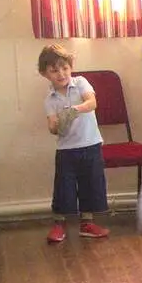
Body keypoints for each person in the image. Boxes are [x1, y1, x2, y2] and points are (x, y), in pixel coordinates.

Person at [39, 43, 109, 244]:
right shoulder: (50, 99)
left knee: (90, 184)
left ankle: (87, 224)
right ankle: (59, 224)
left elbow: (92, 103)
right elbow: (52, 126)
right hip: (66, 150)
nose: (61, 73)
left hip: (91, 144)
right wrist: (57, 124)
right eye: (54, 70)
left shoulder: (81, 83)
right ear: (45, 74)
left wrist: (74, 110)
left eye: (65, 68)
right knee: (64, 187)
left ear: (71, 67)